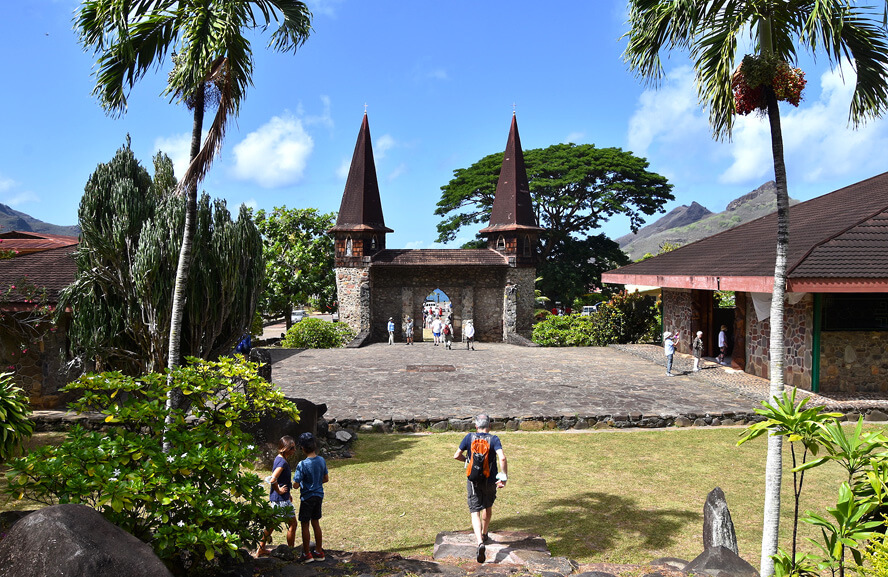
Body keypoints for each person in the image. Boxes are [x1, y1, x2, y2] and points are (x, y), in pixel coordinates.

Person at [453, 414, 507, 564]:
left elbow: (456, 455)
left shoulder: (469, 437)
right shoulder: (494, 439)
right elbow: (502, 457)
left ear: (476, 427)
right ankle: (485, 534)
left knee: (474, 510)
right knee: (487, 507)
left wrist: (467, 460)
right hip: (490, 479)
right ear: (489, 426)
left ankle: (479, 543)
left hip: (473, 480)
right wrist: (504, 477)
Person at [257, 436, 298, 556]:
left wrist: (287, 494)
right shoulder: (282, 462)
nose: (294, 450)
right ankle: (290, 551)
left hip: (278, 499)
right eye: (292, 448)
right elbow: (273, 479)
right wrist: (280, 491)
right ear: (285, 448)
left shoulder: (279, 459)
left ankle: (261, 548)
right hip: (280, 500)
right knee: (292, 524)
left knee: (271, 525)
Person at [293, 432, 329, 563]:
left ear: (302, 448)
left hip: (307, 497)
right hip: (318, 496)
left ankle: (307, 553)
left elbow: (296, 485)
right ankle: (319, 551)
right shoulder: (321, 460)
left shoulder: (302, 464)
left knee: (305, 525)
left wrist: (298, 483)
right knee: (316, 522)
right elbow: (326, 478)